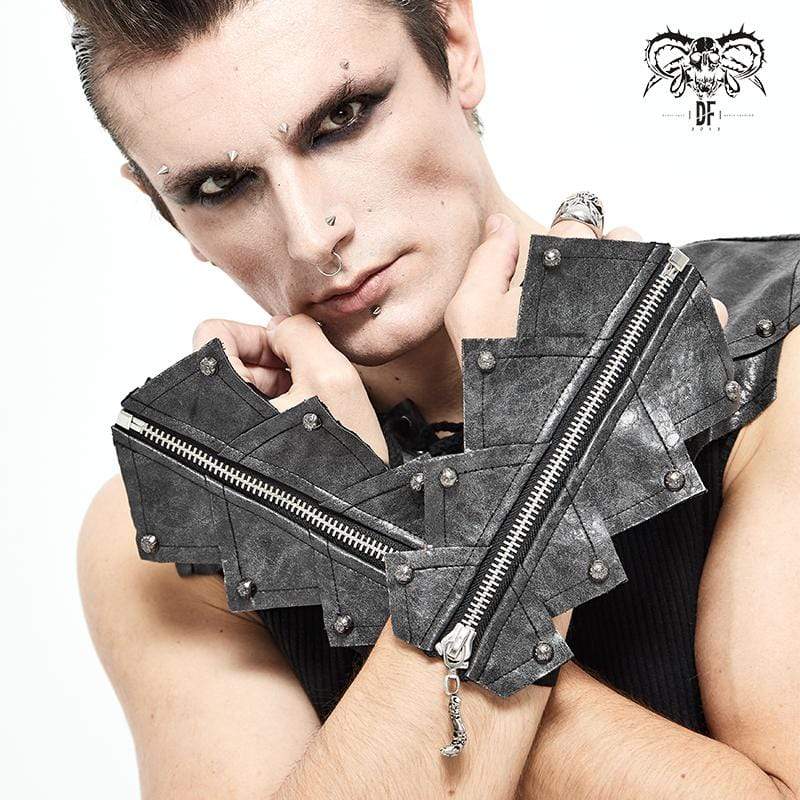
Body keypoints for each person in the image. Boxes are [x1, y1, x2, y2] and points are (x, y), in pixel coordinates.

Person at [67, 1, 799, 797]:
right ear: (164, 211)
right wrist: (534, 483)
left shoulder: (777, 351)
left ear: (455, 44)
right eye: (220, 185)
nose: (312, 234)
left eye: (342, 118)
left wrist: (369, 549)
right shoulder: (175, 526)